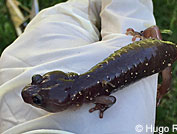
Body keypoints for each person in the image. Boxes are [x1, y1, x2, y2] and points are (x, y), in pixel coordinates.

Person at [0, 0, 158, 133]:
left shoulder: (89, 95)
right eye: (37, 99)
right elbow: (109, 99)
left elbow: (110, 99)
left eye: (37, 79)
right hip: (144, 51)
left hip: (146, 52)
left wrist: (100, 106)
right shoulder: (80, 84)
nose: (27, 92)